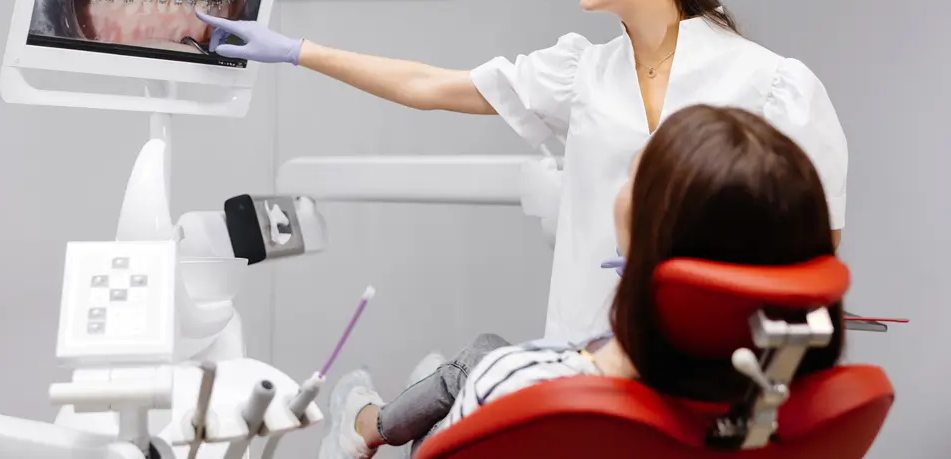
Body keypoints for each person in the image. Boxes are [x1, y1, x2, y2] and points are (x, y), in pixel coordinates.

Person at [196, 0, 848, 344]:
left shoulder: (774, 89)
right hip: (585, 349)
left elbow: (816, 257)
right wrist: (296, 49)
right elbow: (427, 85)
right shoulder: (580, 72)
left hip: (711, 360)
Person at [313, 104, 845, 458]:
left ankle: (368, 418)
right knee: (480, 356)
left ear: (655, 244)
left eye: (635, 175)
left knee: (476, 364)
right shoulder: (781, 408)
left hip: (472, 422)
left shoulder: (525, 386)